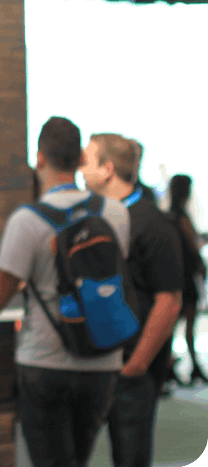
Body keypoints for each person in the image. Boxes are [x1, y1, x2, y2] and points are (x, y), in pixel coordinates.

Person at [0, 116, 130, 467]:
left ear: (39, 158)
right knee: (79, 459)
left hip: (45, 362)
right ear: (80, 160)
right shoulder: (116, 214)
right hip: (103, 362)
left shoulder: (28, 220)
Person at [81, 134, 182, 467]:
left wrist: (135, 366)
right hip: (96, 366)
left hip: (131, 372)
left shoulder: (153, 223)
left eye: (87, 161)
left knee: (130, 459)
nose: (81, 170)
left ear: (107, 169)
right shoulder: (93, 219)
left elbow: (169, 301)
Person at [167, 174, 206, 385]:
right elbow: (193, 245)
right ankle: (191, 367)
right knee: (186, 325)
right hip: (186, 278)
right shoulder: (180, 216)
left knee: (175, 325)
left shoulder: (170, 216)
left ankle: (173, 364)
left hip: (177, 276)